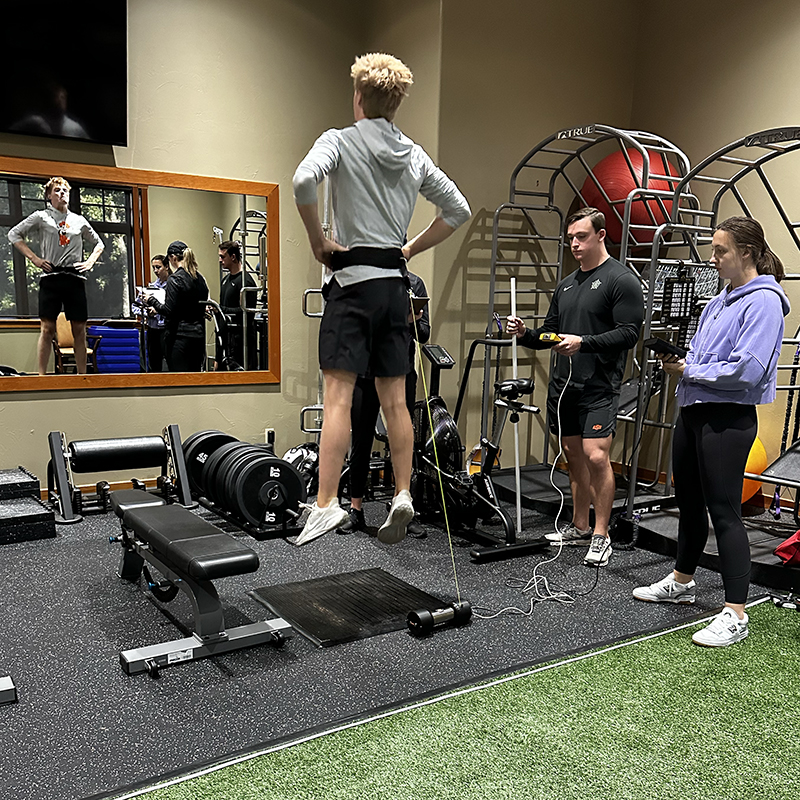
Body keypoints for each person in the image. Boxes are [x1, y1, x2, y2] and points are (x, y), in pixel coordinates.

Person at [292, 52, 470, 546]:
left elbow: (303, 181)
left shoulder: (339, 141)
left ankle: (326, 503)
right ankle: (402, 493)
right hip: (395, 287)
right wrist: (410, 247)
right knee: (398, 400)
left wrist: (317, 242)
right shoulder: (413, 154)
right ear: (395, 103)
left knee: (338, 399)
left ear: (357, 97)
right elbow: (458, 209)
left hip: (350, 287)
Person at [633, 216, 789, 647]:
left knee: (725, 511)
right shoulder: (722, 298)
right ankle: (683, 582)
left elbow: (748, 369)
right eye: (714, 249)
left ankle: (736, 613)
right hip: (695, 410)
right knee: (688, 502)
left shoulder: (764, 302)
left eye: (721, 251)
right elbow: (707, 357)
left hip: (728, 418)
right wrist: (681, 362)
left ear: (747, 253)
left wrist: (691, 368)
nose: (714, 258)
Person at [506, 207, 643, 567]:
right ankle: (580, 525)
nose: (574, 244)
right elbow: (551, 332)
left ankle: (602, 535)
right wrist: (526, 334)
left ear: (600, 235)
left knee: (597, 456)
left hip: (599, 386)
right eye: (570, 239)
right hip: (565, 387)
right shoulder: (567, 284)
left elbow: (629, 334)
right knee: (573, 457)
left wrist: (584, 342)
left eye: (581, 237)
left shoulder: (620, 280)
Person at [341, 270, 430, 535]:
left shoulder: (414, 283)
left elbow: (424, 333)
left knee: (403, 443)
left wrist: (409, 320)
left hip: (400, 374)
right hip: (366, 374)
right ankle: (355, 510)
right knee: (362, 440)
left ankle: (402, 509)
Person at [8, 176, 104, 375]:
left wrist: (90, 262)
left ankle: (82, 376)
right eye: (58, 190)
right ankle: (42, 377)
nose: (62, 194)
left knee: (79, 330)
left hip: (74, 278)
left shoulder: (78, 220)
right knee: (47, 329)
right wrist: (34, 258)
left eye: (65, 191)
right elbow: (14, 234)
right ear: (49, 196)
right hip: (51, 277)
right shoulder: (41, 216)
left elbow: (99, 243)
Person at [140, 241, 209, 372]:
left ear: (173, 258)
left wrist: (151, 300)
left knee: (179, 379)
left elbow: (168, 310)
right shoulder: (200, 279)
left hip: (179, 338)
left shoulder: (175, 279)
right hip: (198, 337)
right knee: (195, 377)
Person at [215, 240, 257, 370]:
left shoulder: (246, 282)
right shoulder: (225, 281)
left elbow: (247, 313)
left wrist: (221, 309)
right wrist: (217, 357)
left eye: (222, 256)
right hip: (225, 342)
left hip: (240, 344)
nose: (220, 260)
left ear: (233, 257)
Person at [132, 255, 170, 372]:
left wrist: (158, 310)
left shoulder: (172, 286)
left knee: (170, 361)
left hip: (167, 329)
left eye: (158, 267)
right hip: (152, 329)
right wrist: (147, 313)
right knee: (154, 362)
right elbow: (134, 307)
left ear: (167, 267)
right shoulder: (151, 287)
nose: (155, 271)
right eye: (153, 268)